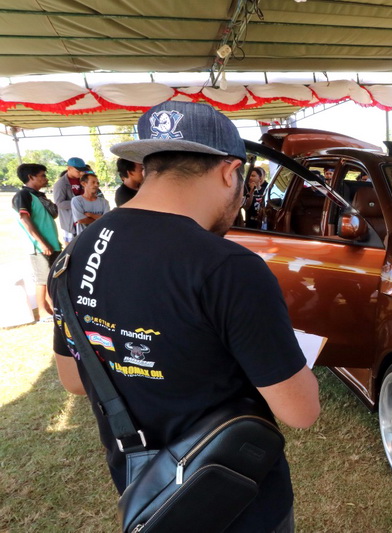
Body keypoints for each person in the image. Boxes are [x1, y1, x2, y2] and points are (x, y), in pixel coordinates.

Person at [50, 100, 319, 533]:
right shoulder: (228, 267)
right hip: (237, 502)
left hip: (149, 497)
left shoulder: (72, 254)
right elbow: (301, 411)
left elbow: (74, 380)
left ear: (150, 166)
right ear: (230, 172)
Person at [12, 163, 62, 321]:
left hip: (52, 243)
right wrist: (41, 243)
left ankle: (52, 308)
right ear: (30, 177)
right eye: (42, 175)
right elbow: (25, 219)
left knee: (51, 278)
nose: (46, 178)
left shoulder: (39, 195)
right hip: (39, 247)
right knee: (43, 279)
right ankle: (42, 312)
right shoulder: (23, 195)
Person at [52, 156, 88, 242]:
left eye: (82, 170)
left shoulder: (83, 180)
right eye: (78, 171)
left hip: (85, 219)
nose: (81, 173)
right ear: (69, 168)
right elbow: (59, 203)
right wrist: (78, 203)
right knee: (71, 245)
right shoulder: (61, 184)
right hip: (70, 222)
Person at [70, 171, 110, 235]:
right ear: (84, 184)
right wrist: (101, 218)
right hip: (84, 236)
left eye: (97, 183)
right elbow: (81, 220)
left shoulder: (104, 202)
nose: (96, 185)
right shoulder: (77, 200)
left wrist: (92, 215)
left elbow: (108, 220)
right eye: (93, 182)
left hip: (100, 236)